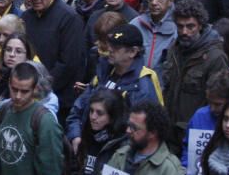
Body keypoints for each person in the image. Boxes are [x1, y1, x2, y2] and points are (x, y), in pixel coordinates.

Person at [67, 24, 163, 152]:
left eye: (116, 47)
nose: (110, 50)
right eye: (110, 45)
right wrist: (76, 135)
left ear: (133, 52)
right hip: (89, 148)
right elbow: (77, 110)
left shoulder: (143, 84)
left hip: (119, 155)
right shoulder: (102, 75)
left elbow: (144, 130)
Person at [160, 0, 228, 150]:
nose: (185, 32)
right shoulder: (174, 49)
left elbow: (219, 102)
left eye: (190, 26)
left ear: (200, 25)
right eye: (180, 26)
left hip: (196, 134)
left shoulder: (215, 57)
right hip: (170, 131)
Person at [0, 61, 64, 175]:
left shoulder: (45, 120)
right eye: (14, 89)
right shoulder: (2, 111)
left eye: (24, 91)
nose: (18, 96)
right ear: (9, 84)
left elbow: (51, 168)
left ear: (34, 89)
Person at [104, 100, 183, 175]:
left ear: (152, 133)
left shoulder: (169, 168)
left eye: (133, 128)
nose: (128, 130)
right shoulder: (120, 155)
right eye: (128, 125)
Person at [76, 88, 128, 175]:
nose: (93, 117)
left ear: (112, 117)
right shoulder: (87, 133)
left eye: (99, 113)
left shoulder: (122, 146)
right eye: (91, 111)